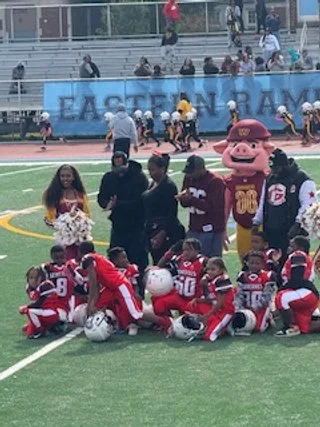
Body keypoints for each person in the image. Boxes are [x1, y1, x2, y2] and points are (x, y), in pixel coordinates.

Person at [213, 119, 274, 260]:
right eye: (235, 145)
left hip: (263, 228)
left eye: (252, 144)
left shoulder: (267, 177)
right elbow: (225, 206)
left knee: (266, 263)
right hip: (243, 227)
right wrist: (222, 229)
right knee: (246, 262)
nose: (242, 149)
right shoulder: (229, 181)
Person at [252, 148, 317, 266]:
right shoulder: (270, 178)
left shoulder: (302, 180)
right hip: (272, 231)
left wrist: (297, 224)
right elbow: (264, 202)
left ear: (284, 165)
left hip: (293, 234)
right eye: (272, 169)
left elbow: (309, 206)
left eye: (276, 169)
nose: (274, 172)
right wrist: (257, 222)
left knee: (295, 266)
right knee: (273, 265)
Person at [97, 151, 149, 295]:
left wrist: (118, 204)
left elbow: (141, 202)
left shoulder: (139, 178)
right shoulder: (108, 178)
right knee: (115, 260)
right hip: (118, 226)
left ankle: (138, 294)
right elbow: (101, 197)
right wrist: (107, 204)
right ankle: (118, 292)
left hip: (137, 225)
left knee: (137, 262)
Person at [177, 155, 225, 257]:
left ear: (201, 169)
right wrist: (183, 199)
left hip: (211, 229)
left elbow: (213, 208)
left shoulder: (215, 181)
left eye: (192, 172)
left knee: (209, 264)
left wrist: (191, 199)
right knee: (189, 260)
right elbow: (185, 203)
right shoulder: (188, 178)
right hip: (193, 227)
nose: (189, 175)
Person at [142, 153, 185, 264]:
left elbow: (172, 212)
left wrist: (163, 232)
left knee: (166, 263)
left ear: (162, 169)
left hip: (165, 231)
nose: (151, 173)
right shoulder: (153, 183)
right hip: (152, 228)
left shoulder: (168, 186)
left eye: (153, 170)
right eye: (149, 170)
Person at [43, 164, 90, 260]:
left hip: (80, 238)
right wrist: (62, 224)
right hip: (64, 240)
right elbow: (50, 217)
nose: (65, 179)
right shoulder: (54, 194)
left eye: (68, 176)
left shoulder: (80, 194)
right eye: (62, 176)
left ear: (73, 177)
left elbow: (87, 215)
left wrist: (80, 224)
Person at [275, 236, 319, 337]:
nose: (289, 248)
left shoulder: (298, 255)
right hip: (302, 294)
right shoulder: (296, 257)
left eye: (292, 245)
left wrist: (282, 289)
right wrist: (275, 264)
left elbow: (297, 279)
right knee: (304, 328)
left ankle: (290, 327)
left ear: (301, 248)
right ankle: (296, 325)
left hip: (303, 292)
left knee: (282, 297)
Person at [187, 257, 235, 342]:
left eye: (213, 269)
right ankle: (211, 323)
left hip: (226, 311)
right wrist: (197, 300)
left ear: (221, 270)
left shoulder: (222, 280)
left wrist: (207, 315)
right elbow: (211, 299)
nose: (209, 272)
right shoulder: (210, 280)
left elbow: (220, 302)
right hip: (216, 310)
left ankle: (226, 325)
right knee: (192, 305)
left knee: (209, 336)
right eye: (208, 269)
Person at [155, 238, 206, 315]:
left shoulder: (203, 262)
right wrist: (170, 252)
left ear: (197, 251)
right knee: (158, 304)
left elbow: (215, 270)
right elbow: (160, 265)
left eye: (189, 250)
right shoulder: (180, 259)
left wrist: (206, 277)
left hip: (194, 300)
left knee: (192, 321)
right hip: (179, 297)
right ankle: (167, 322)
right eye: (184, 250)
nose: (185, 253)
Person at [234, 251, 277, 335]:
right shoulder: (242, 276)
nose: (254, 265)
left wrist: (255, 307)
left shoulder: (268, 275)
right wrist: (238, 308)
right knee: (240, 325)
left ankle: (269, 317)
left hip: (261, 308)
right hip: (246, 307)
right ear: (247, 263)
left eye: (257, 263)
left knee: (259, 328)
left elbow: (267, 297)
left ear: (262, 264)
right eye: (251, 263)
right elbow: (239, 295)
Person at [19, 266, 68, 339]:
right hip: (43, 312)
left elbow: (40, 303)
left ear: (41, 277)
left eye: (35, 277)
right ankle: (47, 327)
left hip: (53, 311)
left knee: (29, 311)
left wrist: (26, 307)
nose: (32, 280)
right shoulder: (29, 288)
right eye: (31, 278)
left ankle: (41, 330)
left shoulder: (46, 285)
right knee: (28, 330)